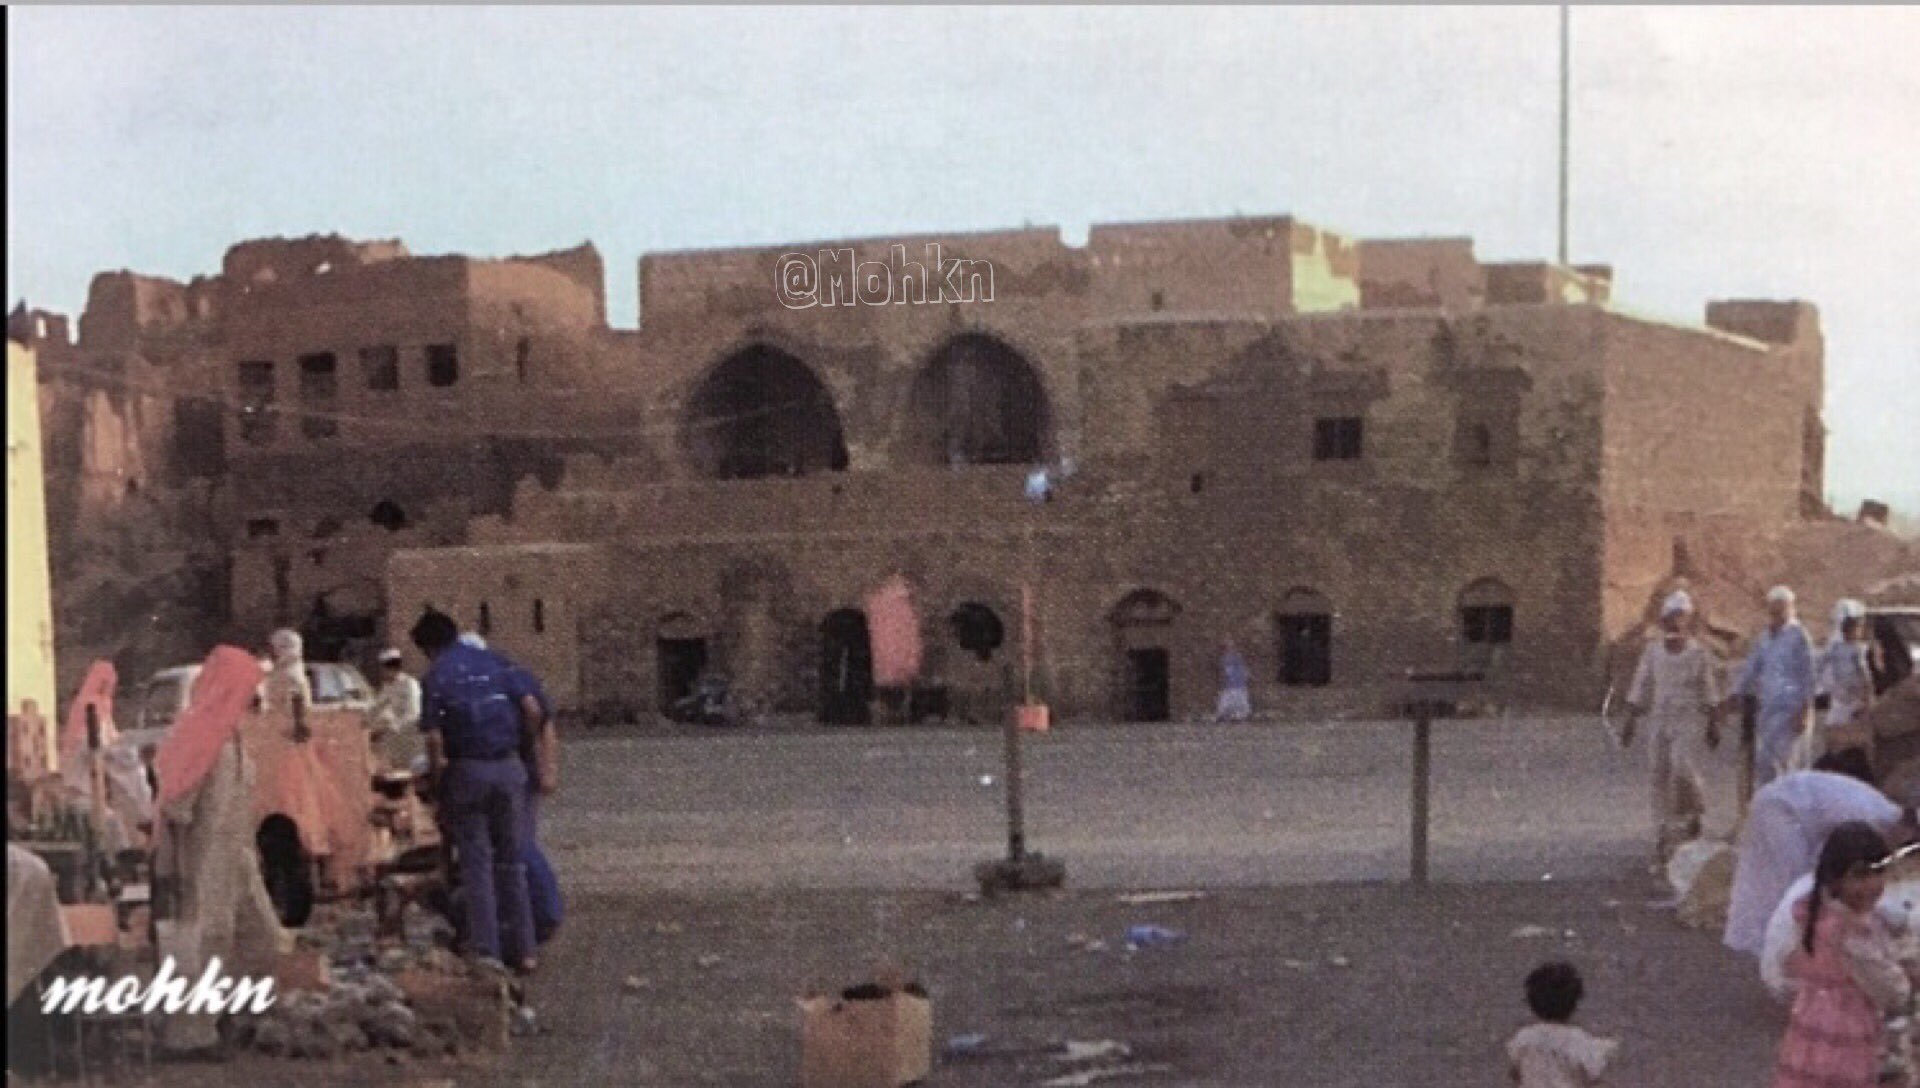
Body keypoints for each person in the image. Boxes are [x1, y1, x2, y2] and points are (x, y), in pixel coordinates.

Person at [151, 646, 288, 1053]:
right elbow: (175, 808)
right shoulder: (197, 736)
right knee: (202, 944)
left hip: (238, 858)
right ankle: (190, 1037)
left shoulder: (232, 736)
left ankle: (238, 1016)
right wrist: (172, 869)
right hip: (202, 859)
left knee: (261, 937)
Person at [413, 609, 539, 974]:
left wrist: (437, 780)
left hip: (468, 770)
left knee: (477, 864)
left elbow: (434, 739)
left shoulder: (436, 676)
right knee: (512, 860)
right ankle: (526, 950)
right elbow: (531, 708)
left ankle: (488, 952)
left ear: (428, 648)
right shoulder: (496, 661)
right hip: (508, 766)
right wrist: (522, 745)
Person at [1725, 751, 1917, 956]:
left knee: (1781, 882)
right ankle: (1778, 947)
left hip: (1795, 811)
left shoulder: (1880, 816)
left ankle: (1772, 943)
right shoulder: (1872, 819)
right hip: (1784, 809)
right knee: (1789, 885)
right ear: (1908, 829)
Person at [1771, 822, 1916, 1088]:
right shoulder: (1852, 933)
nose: (1872, 884)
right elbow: (1887, 987)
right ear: (1836, 879)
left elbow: (1784, 962)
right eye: (1861, 876)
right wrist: (1906, 982)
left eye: (1878, 873)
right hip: (1848, 1031)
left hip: (1809, 1023)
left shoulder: (1813, 914)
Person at [1620, 590, 1723, 867]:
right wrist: (1630, 720)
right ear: (1664, 620)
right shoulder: (1653, 651)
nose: (1676, 622)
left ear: (1688, 620)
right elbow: (1641, 684)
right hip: (1659, 718)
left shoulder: (1697, 653)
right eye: (1672, 617)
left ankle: (1695, 811)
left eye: (1681, 617)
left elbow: (1708, 688)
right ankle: (1662, 832)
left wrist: (1714, 722)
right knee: (1658, 773)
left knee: (1681, 768)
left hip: (1686, 719)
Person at [1735, 586, 1819, 790]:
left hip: (1792, 714)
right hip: (1768, 712)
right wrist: (1735, 695)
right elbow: (1751, 669)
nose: (1777, 615)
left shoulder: (1799, 636)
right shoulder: (1764, 638)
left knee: (1789, 767)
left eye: (1781, 610)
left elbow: (1809, 675)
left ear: (1790, 609)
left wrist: (1805, 710)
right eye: (1773, 611)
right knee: (1765, 766)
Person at [1506, 961, 1618, 1087]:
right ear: (1574, 1003)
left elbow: (1515, 1073)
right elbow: (1593, 1072)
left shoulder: (1523, 1038)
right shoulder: (1578, 1040)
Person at [1818, 599, 1878, 743]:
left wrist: (1867, 696)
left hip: (1854, 699)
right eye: (1857, 627)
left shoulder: (1858, 650)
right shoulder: (1834, 648)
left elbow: (1864, 675)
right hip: (1839, 698)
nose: (1859, 631)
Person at [370, 647, 425, 772]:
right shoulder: (389, 686)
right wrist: (367, 721)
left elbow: (413, 714)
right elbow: (377, 706)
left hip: (411, 738)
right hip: (395, 739)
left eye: (383, 668)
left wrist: (391, 727)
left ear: (390, 668)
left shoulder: (410, 684)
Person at [1214, 639, 1252, 723]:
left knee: (1236, 701)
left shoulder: (1236, 658)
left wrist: (1245, 676)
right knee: (1229, 701)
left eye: (1231, 647)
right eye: (1229, 647)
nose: (1231, 649)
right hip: (1232, 686)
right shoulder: (1226, 659)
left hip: (1237, 685)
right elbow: (1226, 672)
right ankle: (1232, 716)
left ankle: (1236, 716)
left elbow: (1243, 671)